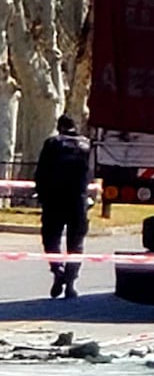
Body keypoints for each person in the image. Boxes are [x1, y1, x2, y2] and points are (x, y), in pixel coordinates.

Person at [34, 114, 92, 299]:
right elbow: (91, 172)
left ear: (59, 127)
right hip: (78, 200)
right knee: (76, 243)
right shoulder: (86, 145)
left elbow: (40, 172)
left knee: (51, 239)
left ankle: (57, 269)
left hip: (54, 200)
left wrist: (41, 195)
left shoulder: (52, 143)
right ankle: (71, 282)